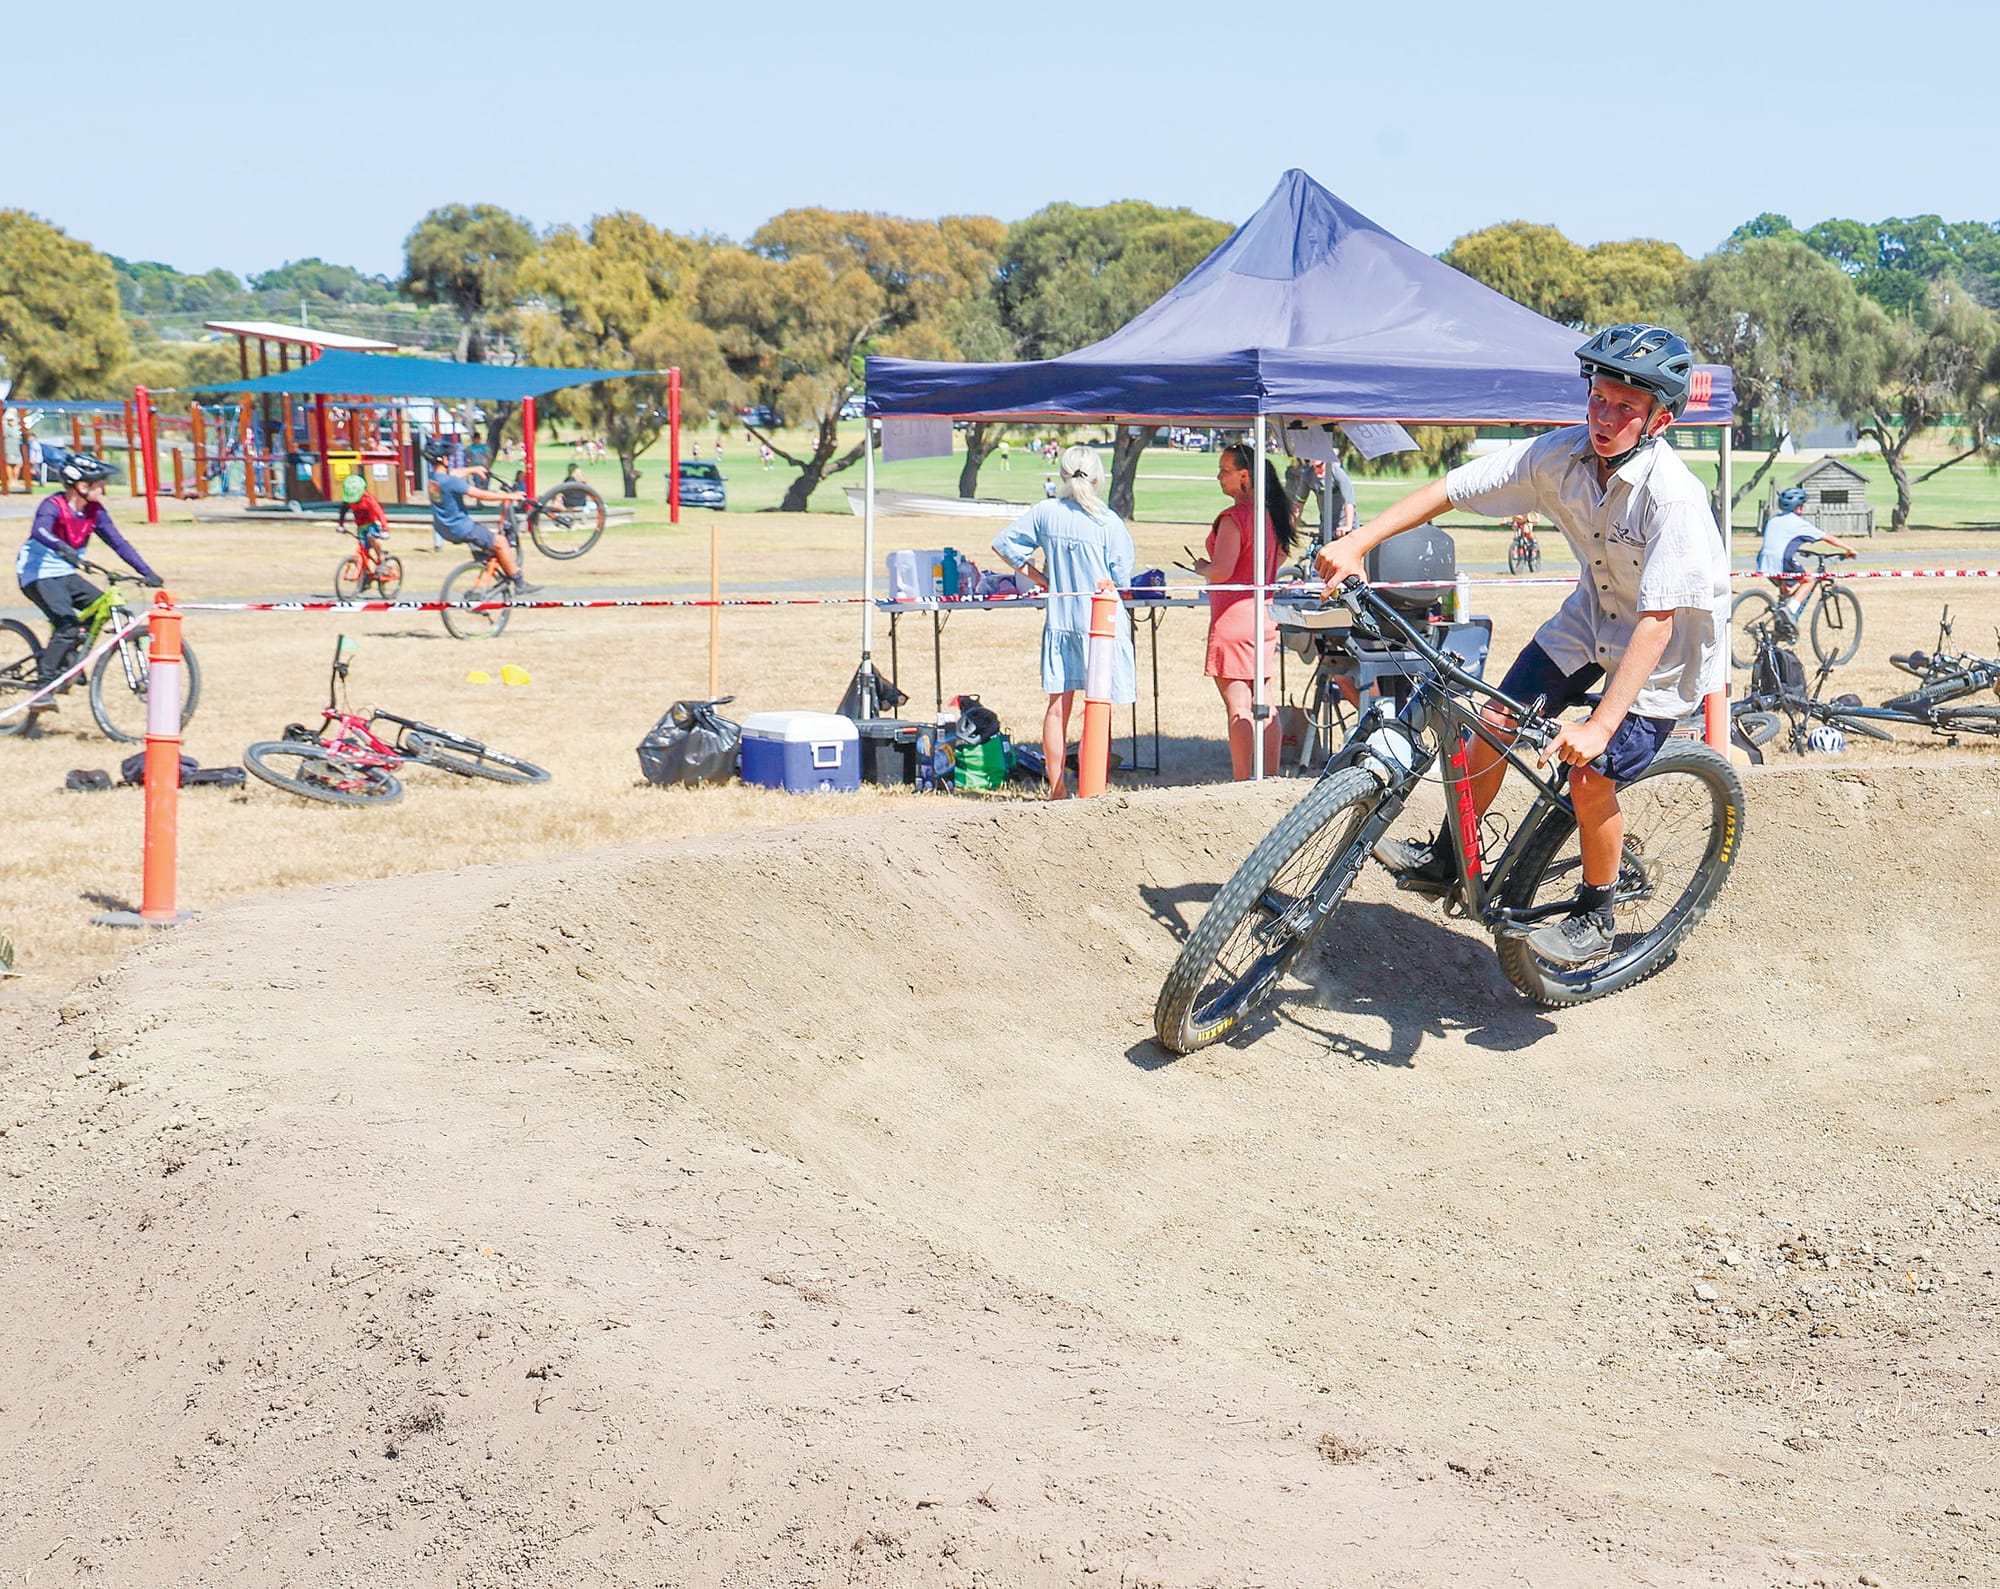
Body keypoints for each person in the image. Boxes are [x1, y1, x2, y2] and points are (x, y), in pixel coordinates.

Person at [1315, 322, 1729, 968]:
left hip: (1661, 656)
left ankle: (1597, 907)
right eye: (1599, 397)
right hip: (1591, 620)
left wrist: (1598, 725)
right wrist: (1357, 543)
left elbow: (1658, 623)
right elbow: (1452, 489)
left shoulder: (1671, 497)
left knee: (1590, 774)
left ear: (1660, 420)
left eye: (1626, 408)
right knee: (1495, 718)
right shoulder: (1558, 458)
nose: (1605, 416)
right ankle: (1454, 856)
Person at [990, 445, 1136, 798]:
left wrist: (1040, 577)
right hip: (1101, 624)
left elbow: (1004, 544)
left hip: (1062, 620)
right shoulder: (1108, 520)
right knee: (1097, 710)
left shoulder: (1046, 512)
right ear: (1098, 478)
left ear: (1063, 476)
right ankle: (1091, 786)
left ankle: (1056, 788)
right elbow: (1122, 576)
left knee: (1058, 707)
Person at [15, 454, 162, 708]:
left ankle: (68, 659)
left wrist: (146, 572)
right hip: (38, 574)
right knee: (67, 624)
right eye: (98, 483)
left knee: (99, 609)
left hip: (66, 573)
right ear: (80, 486)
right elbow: (39, 530)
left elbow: (118, 543)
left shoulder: (95, 512)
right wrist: (61, 547)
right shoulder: (53, 505)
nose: (103, 488)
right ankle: (43, 688)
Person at [1195, 442, 1303, 779]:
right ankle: (1269, 778)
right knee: (1266, 704)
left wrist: (1202, 567)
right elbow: (1281, 556)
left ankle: (1242, 781)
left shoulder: (1235, 518)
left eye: (1224, 471)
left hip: (1233, 619)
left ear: (1244, 475)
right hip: (1263, 617)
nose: (1218, 477)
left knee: (1239, 708)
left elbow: (1223, 569)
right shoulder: (1272, 515)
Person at [424, 440, 540, 593]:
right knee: (500, 542)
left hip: (445, 529)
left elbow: (455, 473)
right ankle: (519, 583)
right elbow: (481, 495)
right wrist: (511, 495)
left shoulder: (435, 480)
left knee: (490, 557)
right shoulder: (451, 482)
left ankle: (479, 593)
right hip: (462, 528)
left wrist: (474, 469)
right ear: (444, 460)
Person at [1757, 485, 1856, 612]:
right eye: (1802, 505)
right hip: (1781, 560)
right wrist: (1849, 549)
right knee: (1808, 580)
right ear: (1798, 507)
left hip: (1763, 561)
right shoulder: (1798, 523)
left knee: (1786, 590)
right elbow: (1827, 538)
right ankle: (1789, 612)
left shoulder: (1773, 520)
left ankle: (1781, 622)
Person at [337, 471, 389, 557]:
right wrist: (341, 525)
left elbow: (380, 513)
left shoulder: (368, 499)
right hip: (360, 526)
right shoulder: (349, 500)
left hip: (372, 524)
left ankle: (381, 558)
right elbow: (343, 511)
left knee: (371, 539)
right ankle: (364, 568)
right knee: (363, 548)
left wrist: (385, 529)